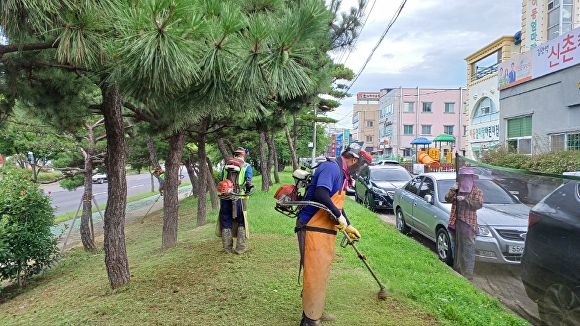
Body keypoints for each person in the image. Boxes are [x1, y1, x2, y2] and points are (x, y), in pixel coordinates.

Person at [296, 143, 372, 326]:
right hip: (311, 225)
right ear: (354, 160)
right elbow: (321, 194)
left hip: (324, 228)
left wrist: (348, 224)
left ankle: (316, 310)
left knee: (321, 271)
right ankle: (310, 319)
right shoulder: (331, 168)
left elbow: (336, 203)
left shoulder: (342, 173)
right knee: (314, 272)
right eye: (360, 165)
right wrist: (338, 216)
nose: (359, 170)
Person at [445, 167, 483, 280]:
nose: (465, 179)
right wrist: (453, 190)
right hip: (455, 222)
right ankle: (457, 269)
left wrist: (466, 199)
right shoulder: (456, 189)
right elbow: (447, 198)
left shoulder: (477, 191)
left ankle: (468, 274)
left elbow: (478, 205)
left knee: (469, 249)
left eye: (468, 177)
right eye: (463, 177)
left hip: (468, 224)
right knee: (454, 247)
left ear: (472, 178)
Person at [217, 147, 254, 254]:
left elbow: (222, 180)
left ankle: (227, 249)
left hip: (225, 197)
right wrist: (247, 190)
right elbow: (248, 183)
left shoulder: (225, 166)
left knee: (225, 221)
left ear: (234, 155)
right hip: (239, 198)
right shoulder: (246, 166)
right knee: (242, 221)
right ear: (244, 155)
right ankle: (240, 248)